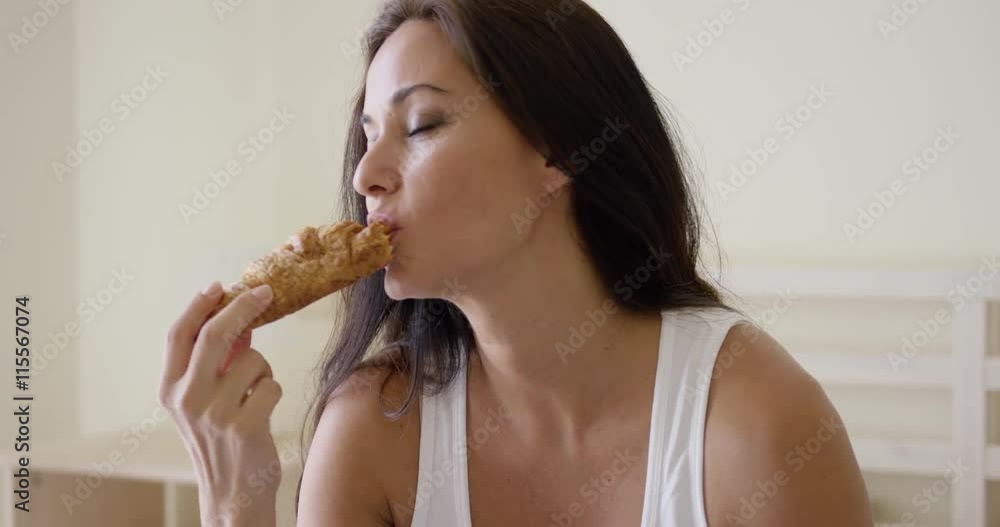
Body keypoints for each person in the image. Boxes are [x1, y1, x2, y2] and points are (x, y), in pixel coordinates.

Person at [159, 0, 874, 525]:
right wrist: (234, 505)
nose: (365, 176)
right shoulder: (374, 431)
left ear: (558, 149)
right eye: (368, 136)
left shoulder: (755, 426)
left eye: (422, 124)